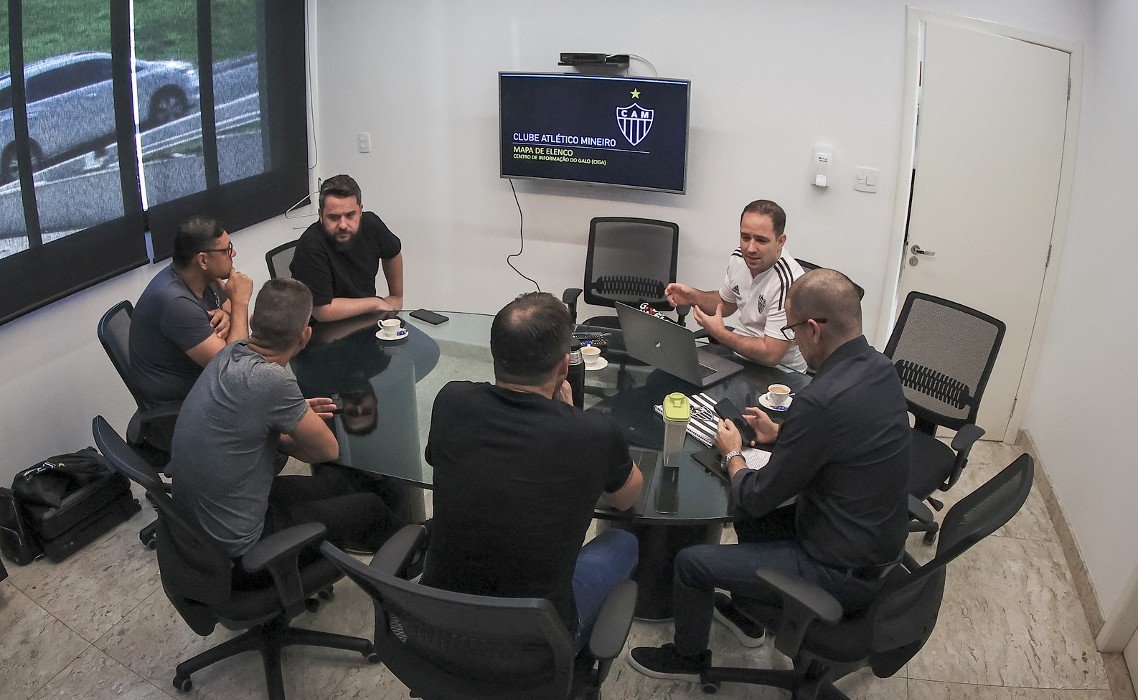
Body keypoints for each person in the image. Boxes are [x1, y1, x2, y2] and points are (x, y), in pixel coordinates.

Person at [630, 268, 912, 680]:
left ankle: (687, 659)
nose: (793, 339)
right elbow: (847, 441)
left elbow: (756, 496)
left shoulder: (819, 401)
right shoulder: (881, 368)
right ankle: (750, 609)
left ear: (814, 329)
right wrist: (783, 436)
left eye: (794, 330)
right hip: (877, 546)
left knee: (692, 561)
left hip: (838, 571)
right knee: (754, 513)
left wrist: (733, 455)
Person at [421, 291, 644, 649]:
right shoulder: (592, 432)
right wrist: (573, 418)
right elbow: (626, 498)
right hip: (538, 643)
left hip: (439, 626)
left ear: (495, 355)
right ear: (563, 366)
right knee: (624, 541)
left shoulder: (450, 400)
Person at [168, 278, 401, 561]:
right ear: (305, 336)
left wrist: (283, 414)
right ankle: (409, 562)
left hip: (204, 526)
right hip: (242, 547)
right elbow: (327, 451)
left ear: (253, 321)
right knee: (370, 505)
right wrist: (281, 430)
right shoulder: (273, 380)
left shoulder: (228, 353)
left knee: (338, 485)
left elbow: (244, 411)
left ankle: (359, 546)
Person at [664, 199, 807, 372]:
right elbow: (726, 305)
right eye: (745, 237)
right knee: (667, 374)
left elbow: (772, 354)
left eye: (761, 240)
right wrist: (694, 296)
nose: (750, 248)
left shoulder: (789, 282)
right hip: (739, 356)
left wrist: (721, 334)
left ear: (780, 241)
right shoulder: (739, 258)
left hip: (779, 373)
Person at [129, 215, 254, 406]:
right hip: (183, 408)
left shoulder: (202, 277)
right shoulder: (175, 302)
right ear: (203, 260)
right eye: (226, 250)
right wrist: (240, 302)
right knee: (261, 397)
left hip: (202, 383)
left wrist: (227, 314)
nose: (234, 253)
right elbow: (234, 369)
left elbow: (227, 312)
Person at [289, 174, 404, 322]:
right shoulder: (310, 244)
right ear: (321, 215)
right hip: (320, 330)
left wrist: (396, 296)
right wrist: (375, 303)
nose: (343, 225)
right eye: (334, 217)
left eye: (350, 215)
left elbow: (392, 253)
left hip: (365, 319)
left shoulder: (371, 224)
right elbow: (323, 311)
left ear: (360, 211)